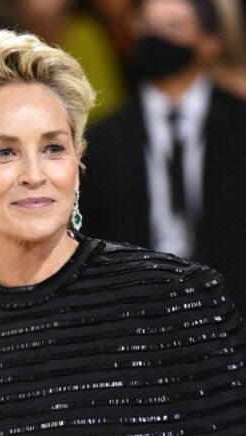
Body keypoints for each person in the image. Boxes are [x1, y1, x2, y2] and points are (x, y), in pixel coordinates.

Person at [0, 29, 246, 435]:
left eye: (53, 148)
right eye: (5, 152)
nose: (35, 174)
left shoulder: (178, 299)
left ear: (77, 163)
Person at [80, 0, 246, 316]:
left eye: (173, 26)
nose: (156, 38)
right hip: (133, 311)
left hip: (232, 309)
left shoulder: (239, 124)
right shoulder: (101, 140)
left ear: (210, 42)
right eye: (146, 26)